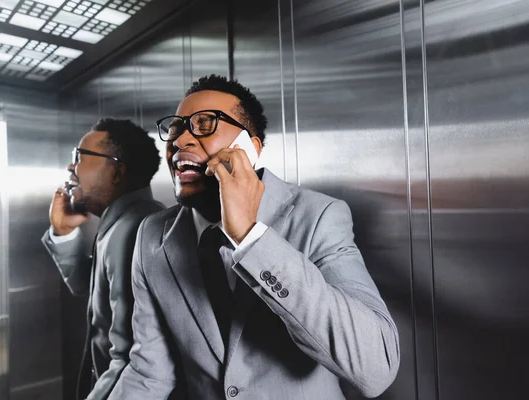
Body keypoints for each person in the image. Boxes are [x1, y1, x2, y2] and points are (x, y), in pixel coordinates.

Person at [110, 75, 400, 399]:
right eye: (176, 128)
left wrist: (251, 236)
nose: (180, 140)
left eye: (204, 124)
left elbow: (376, 368)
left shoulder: (318, 216)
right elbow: (150, 372)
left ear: (251, 147)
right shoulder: (152, 237)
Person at [42, 118, 165, 400]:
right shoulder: (118, 222)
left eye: (79, 157)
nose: (71, 167)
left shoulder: (136, 227)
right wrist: (63, 231)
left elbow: (133, 357)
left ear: (117, 172)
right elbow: (93, 289)